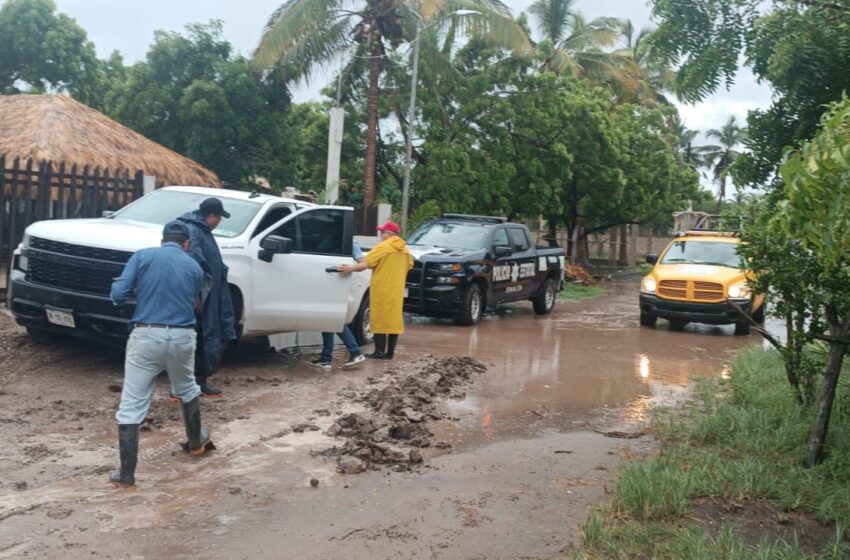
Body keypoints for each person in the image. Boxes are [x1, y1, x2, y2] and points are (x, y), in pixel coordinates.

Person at [109, 221, 213, 488]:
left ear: (162, 240)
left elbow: (118, 295)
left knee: (132, 403)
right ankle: (196, 443)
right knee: (187, 388)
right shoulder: (194, 266)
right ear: (186, 244)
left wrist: (131, 289)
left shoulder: (142, 256)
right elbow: (196, 304)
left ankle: (126, 475)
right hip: (182, 336)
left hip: (146, 336)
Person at [177, 197, 238, 397]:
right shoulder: (195, 231)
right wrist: (198, 295)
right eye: (219, 218)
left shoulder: (200, 230)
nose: (219, 222)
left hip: (211, 293)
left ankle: (197, 381)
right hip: (204, 296)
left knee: (205, 336)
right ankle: (188, 385)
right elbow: (195, 265)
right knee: (203, 336)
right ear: (211, 215)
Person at [339, 221, 412, 359]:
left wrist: (351, 268)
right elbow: (409, 266)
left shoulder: (383, 247)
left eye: (382, 232)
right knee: (393, 321)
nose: (380, 235)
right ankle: (390, 353)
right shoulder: (405, 250)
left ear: (389, 234)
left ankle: (379, 352)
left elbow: (365, 264)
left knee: (378, 319)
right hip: (396, 291)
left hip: (382, 289)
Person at [310, 241, 367, 371]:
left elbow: (364, 264)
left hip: (336, 285)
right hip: (325, 284)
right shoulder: (327, 238)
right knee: (327, 320)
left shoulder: (350, 243)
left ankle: (355, 352)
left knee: (335, 319)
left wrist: (351, 268)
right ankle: (326, 358)